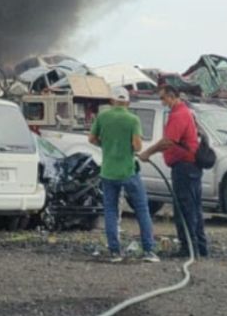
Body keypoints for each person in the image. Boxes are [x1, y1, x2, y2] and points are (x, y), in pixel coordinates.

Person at [89, 86, 159, 263]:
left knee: (111, 211)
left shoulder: (103, 116)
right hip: (128, 171)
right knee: (142, 209)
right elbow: (137, 146)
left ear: (112, 101)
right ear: (127, 102)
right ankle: (149, 251)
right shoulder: (132, 119)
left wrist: (106, 145)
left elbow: (92, 139)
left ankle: (115, 252)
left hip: (108, 172)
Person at [139, 85, 208, 257]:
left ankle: (189, 249)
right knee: (194, 208)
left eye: (163, 98)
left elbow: (168, 141)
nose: (162, 102)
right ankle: (200, 247)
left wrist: (148, 152)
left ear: (171, 96)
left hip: (184, 167)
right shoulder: (186, 112)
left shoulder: (179, 115)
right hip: (190, 166)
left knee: (185, 209)